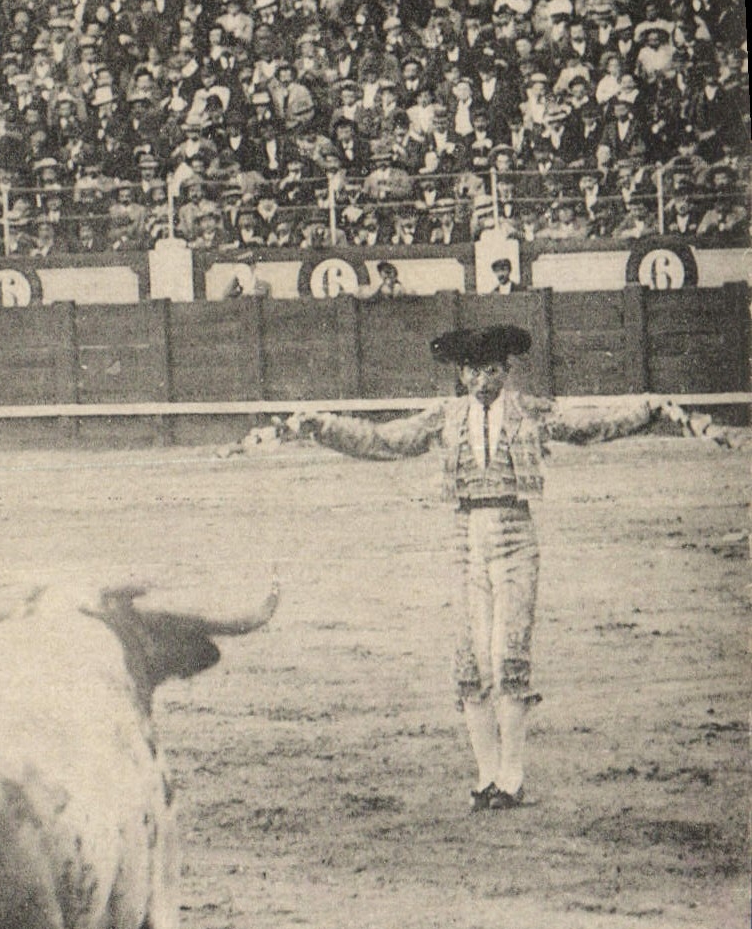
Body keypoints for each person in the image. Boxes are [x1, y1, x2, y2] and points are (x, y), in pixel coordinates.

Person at [282, 326, 730, 810]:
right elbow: (385, 440)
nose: (481, 380)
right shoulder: (446, 416)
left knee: (508, 655)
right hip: (466, 539)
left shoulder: (528, 411)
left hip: (516, 535)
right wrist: (323, 425)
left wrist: (647, 409)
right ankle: (486, 776)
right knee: (471, 661)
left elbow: (589, 426)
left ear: (506, 370)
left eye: (491, 369)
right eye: (472, 370)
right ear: (461, 373)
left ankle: (512, 778)